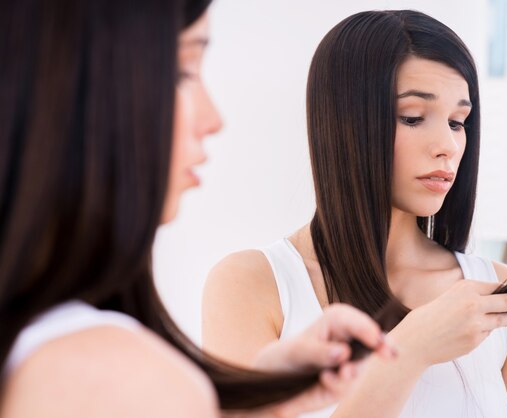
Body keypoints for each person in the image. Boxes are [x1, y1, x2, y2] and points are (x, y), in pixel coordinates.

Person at [0, 1, 400, 417]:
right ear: (76, 89)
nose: (213, 119)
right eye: (182, 72)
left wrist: (250, 399)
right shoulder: (113, 377)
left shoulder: (44, 352)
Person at [202, 10, 507, 418]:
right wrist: (409, 350)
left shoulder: (501, 297)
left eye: (458, 122)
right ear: (346, 122)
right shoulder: (252, 285)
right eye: (414, 117)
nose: (448, 145)